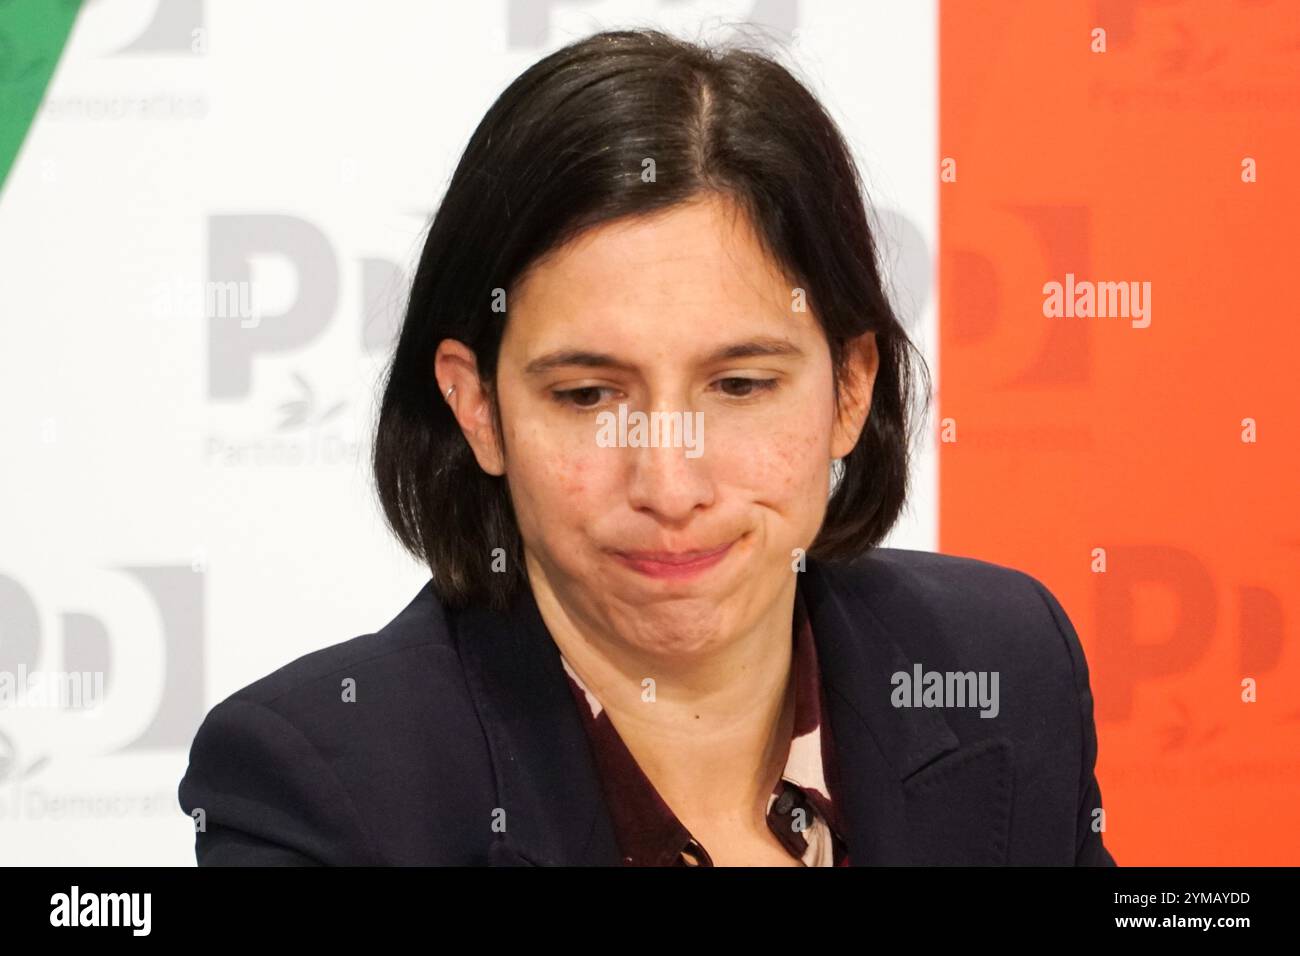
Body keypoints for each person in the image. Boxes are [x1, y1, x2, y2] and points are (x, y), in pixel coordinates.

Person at [177, 27, 1115, 866]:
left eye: (740, 386)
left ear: (851, 389)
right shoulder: (322, 796)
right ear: (478, 411)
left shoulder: (1003, 662)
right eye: (588, 396)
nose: (669, 484)